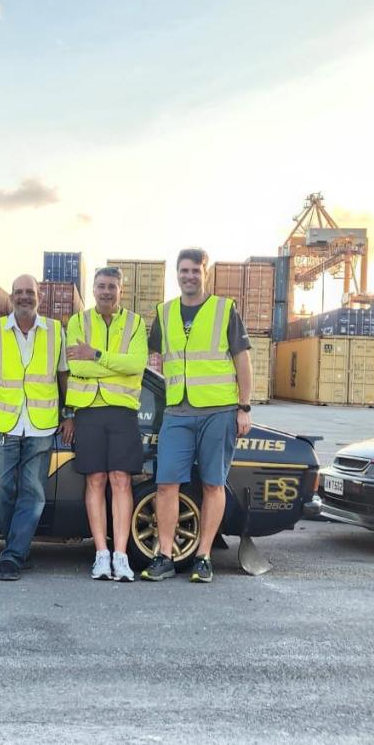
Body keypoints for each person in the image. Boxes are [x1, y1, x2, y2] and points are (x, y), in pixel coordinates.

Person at [141, 248, 253, 584]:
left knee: (212, 484)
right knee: (165, 485)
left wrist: (243, 407)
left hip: (218, 411)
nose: (189, 276)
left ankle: (202, 556)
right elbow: (153, 358)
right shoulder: (164, 312)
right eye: (183, 270)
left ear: (205, 273)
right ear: (177, 273)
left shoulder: (224, 309)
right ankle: (164, 555)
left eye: (195, 270)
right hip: (176, 411)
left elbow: (242, 361)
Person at [0, 274, 73, 581]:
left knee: (33, 491)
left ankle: (13, 556)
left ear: (39, 297)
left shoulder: (56, 332)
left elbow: (63, 376)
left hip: (42, 425)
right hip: (3, 423)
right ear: (11, 298)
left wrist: (68, 413)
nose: (24, 297)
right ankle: (17, 545)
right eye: (18, 292)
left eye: (29, 292)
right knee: (0, 491)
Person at [65, 266, 148, 582]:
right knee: (96, 480)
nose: (106, 292)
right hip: (88, 410)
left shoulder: (136, 323)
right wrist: (116, 366)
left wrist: (95, 355)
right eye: (101, 286)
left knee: (121, 480)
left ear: (121, 290)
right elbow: (75, 364)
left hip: (123, 411)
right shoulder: (78, 321)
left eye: (112, 286)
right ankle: (101, 554)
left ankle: (121, 555)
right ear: (93, 288)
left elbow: (136, 365)